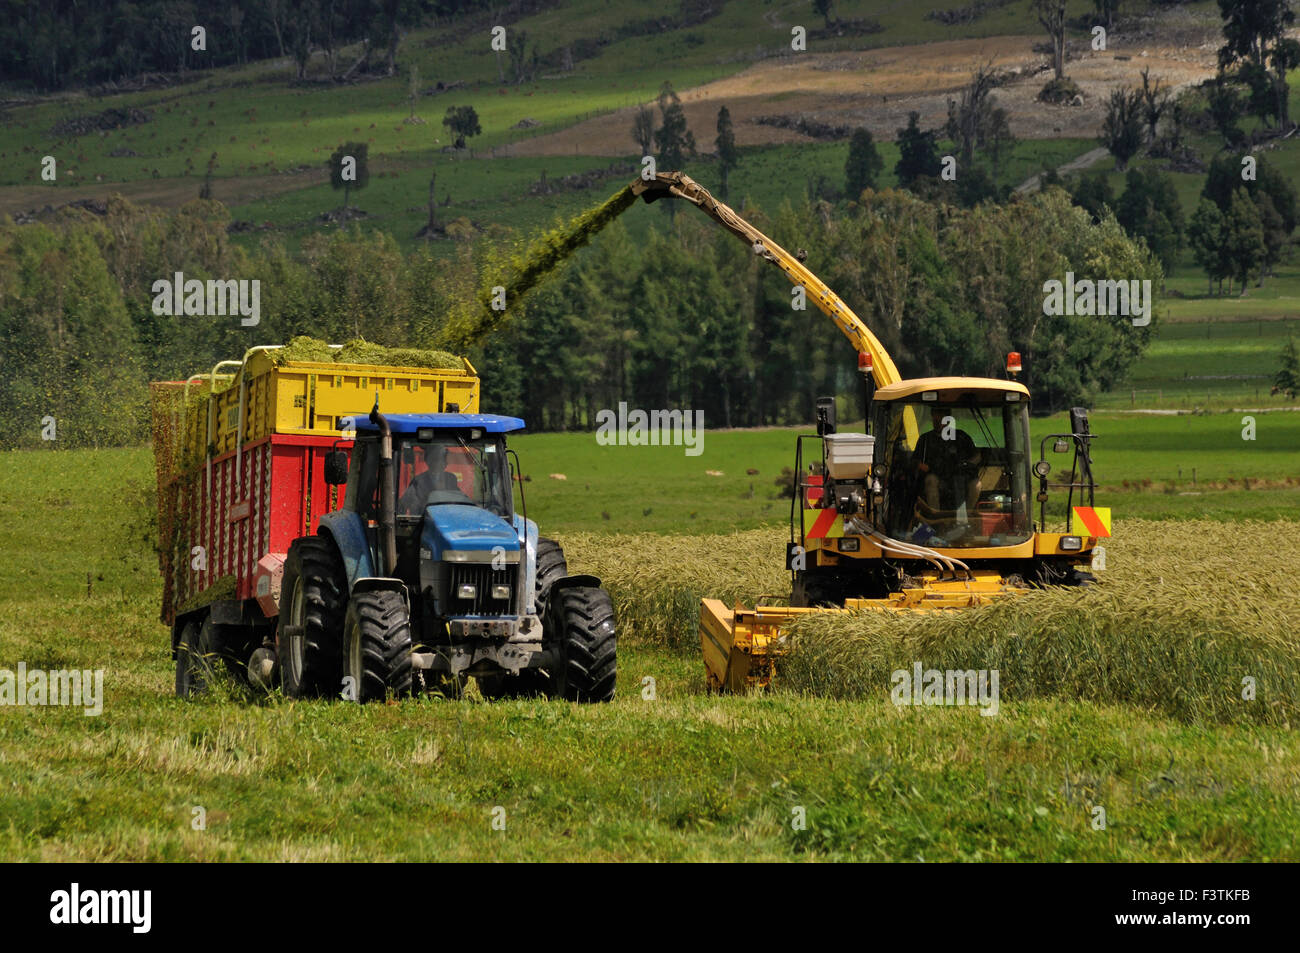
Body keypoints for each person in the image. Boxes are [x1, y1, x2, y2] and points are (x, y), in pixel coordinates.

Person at [912, 407, 981, 521]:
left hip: (961, 478)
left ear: (949, 419)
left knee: (976, 485)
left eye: (942, 418)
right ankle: (936, 519)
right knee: (931, 480)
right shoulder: (925, 440)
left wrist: (968, 464)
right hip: (936, 478)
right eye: (936, 418)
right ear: (932, 417)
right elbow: (916, 461)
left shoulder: (961, 437)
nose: (938, 421)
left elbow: (977, 456)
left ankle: (966, 518)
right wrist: (923, 466)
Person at [398, 444, 463, 515]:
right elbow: (402, 505)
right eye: (436, 459)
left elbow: (460, 499)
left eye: (442, 459)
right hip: (423, 521)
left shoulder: (451, 478)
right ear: (428, 461)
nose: (440, 463)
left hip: (446, 520)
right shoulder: (418, 481)